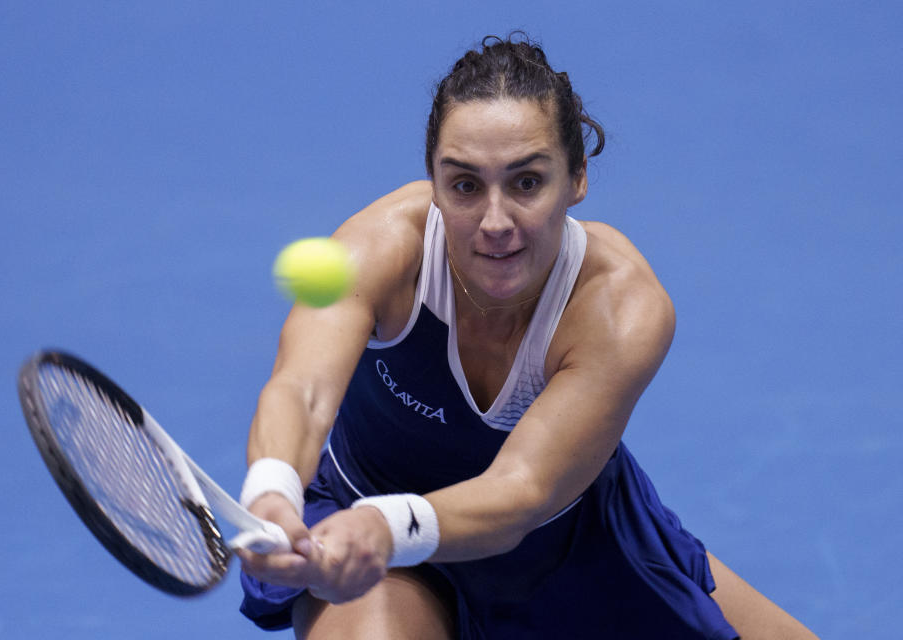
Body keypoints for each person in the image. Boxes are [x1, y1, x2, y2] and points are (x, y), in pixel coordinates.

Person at [236, 34, 817, 639]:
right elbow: (301, 390)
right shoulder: (379, 250)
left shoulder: (620, 306)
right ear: (433, 182)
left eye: (526, 183)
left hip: (565, 548)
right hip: (368, 527)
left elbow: (521, 492)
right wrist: (272, 491)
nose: (495, 222)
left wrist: (387, 527)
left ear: (578, 178)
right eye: (464, 185)